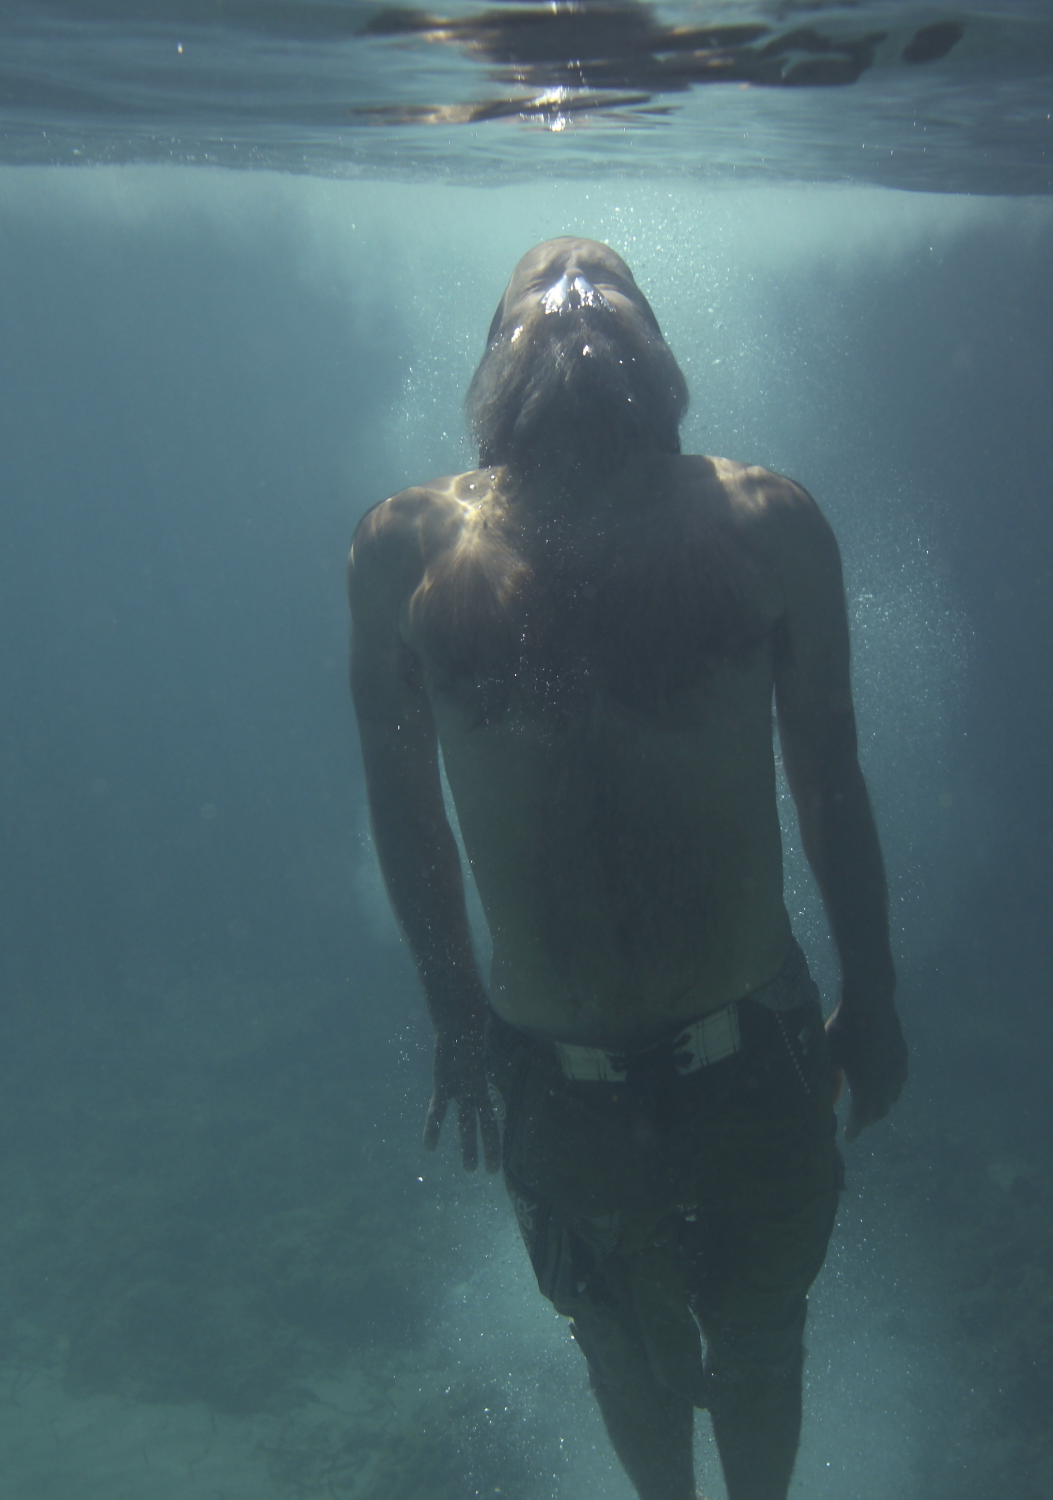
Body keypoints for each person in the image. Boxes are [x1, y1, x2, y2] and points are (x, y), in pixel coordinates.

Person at [348, 237, 906, 1500]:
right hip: (556, 1067)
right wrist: (452, 1014)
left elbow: (833, 781)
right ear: (487, 360)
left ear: (662, 351)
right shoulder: (405, 553)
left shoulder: (766, 524)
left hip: (751, 1040)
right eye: (538, 299)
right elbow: (405, 812)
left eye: (605, 290)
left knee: (762, 1340)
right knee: (618, 1349)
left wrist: (873, 996)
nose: (571, 306)